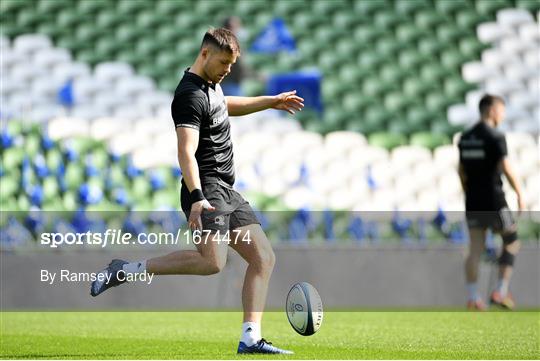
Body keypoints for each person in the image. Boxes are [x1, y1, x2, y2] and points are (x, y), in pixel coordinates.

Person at [90, 28, 303, 354]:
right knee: (212, 263)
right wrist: (197, 197)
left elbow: (225, 104)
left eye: (231, 65)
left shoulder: (212, 87)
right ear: (204, 54)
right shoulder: (189, 95)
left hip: (227, 192)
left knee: (263, 257)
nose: (227, 70)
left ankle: (250, 338)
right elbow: (185, 152)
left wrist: (269, 102)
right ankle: (126, 270)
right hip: (207, 191)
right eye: (223, 63)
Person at [458, 94, 524, 311]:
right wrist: (519, 193)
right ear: (492, 111)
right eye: (502, 110)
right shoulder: (496, 136)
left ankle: (472, 297)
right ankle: (500, 291)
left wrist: (468, 191)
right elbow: (505, 167)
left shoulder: (465, 137)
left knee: (475, 249)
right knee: (512, 240)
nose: (503, 115)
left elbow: (461, 170)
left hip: (473, 200)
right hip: (496, 200)